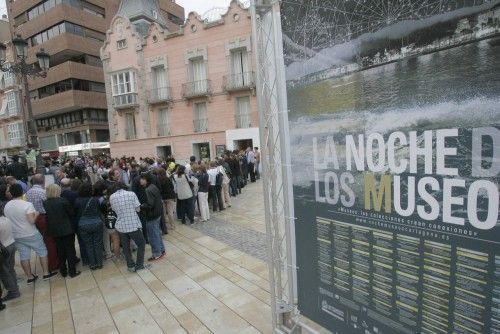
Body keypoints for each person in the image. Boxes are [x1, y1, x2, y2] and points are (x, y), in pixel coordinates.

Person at [4, 184, 57, 283]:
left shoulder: (7, 206)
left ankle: (30, 277)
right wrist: (36, 213)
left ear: (11, 193)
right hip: (30, 233)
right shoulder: (27, 205)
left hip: (16, 234)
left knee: (24, 255)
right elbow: (31, 221)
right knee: (42, 251)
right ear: (22, 192)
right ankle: (46, 273)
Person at [109, 182, 150, 272]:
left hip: (121, 226)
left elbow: (113, 210)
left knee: (126, 246)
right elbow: (138, 209)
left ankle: (130, 265)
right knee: (141, 243)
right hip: (132, 224)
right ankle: (139, 265)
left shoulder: (112, 197)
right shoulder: (131, 194)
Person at [43, 184, 80, 278]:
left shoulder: (46, 203)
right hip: (67, 228)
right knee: (70, 250)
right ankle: (72, 271)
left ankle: (63, 271)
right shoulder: (63, 201)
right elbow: (71, 213)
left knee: (60, 250)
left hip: (54, 230)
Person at [26, 174, 59, 272]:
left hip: (35, 218)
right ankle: (53, 264)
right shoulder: (43, 192)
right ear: (43, 181)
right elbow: (49, 205)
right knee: (50, 241)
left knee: (44, 241)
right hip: (44, 218)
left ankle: (48, 261)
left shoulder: (28, 193)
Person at [75, 183, 103, 270]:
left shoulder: (77, 200)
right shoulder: (95, 200)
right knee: (97, 243)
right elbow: (99, 210)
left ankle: (92, 264)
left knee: (88, 245)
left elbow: (76, 212)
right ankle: (99, 263)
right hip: (96, 223)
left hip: (83, 224)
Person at [140, 173, 166, 261]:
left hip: (152, 215)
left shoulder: (148, 190)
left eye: (142, 179)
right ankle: (162, 250)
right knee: (157, 233)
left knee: (152, 236)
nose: (140, 180)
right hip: (157, 214)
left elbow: (150, 205)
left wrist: (141, 206)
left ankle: (156, 254)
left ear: (146, 180)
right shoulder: (153, 186)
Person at [0, 203, 20, 301]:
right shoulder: (6, 219)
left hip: (4, 248)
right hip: (11, 244)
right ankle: (15, 287)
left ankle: (13, 291)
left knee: (5, 272)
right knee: (11, 269)